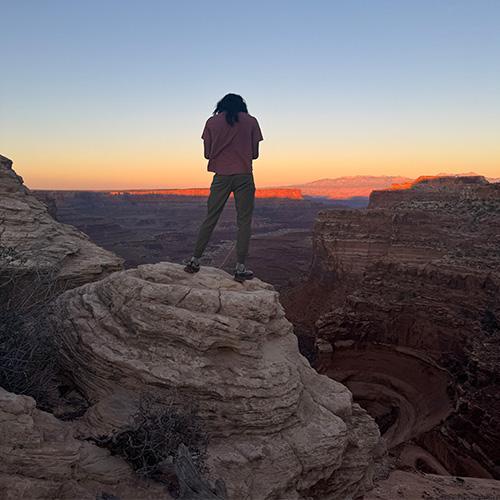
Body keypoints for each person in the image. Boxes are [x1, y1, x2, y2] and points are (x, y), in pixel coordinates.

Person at [184, 93, 263, 282]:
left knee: (210, 218)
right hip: (244, 176)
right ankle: (240, 267)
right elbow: (254, 154)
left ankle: (194, 261)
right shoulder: (251, 121)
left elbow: (206, 154)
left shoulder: (211, 122)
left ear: (221, 105)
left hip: (221, 176)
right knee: (244, 221)